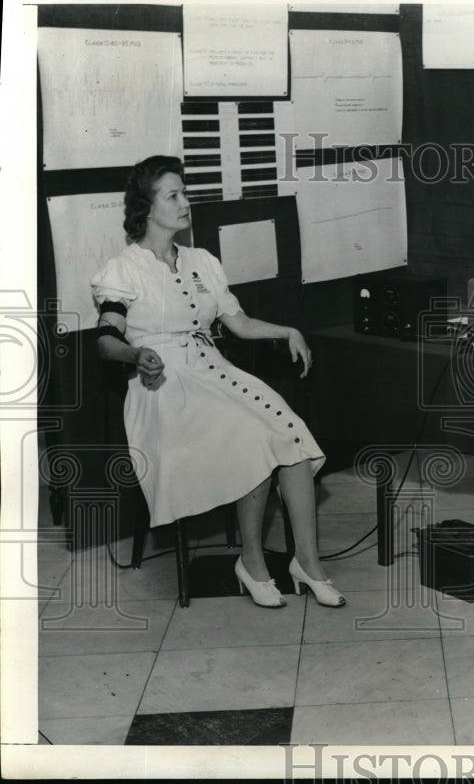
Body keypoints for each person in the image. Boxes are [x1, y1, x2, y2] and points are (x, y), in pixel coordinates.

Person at [91, 155, 344, 609]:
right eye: (174, 195)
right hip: (161, 387)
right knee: (253, 437)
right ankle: (251, 561)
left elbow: (239, 322)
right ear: (147, 209)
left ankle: (308, 562)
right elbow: (106, 340)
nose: (186, 202)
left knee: (291, 435)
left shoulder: (202, 261)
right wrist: (136, 354)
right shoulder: (124, 269)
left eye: (184, 192)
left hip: (213, 371)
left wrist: (287, 331)